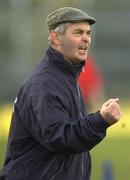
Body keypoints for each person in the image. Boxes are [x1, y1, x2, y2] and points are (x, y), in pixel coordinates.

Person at [0, 7, 121, 180]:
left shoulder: (66, 76)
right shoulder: (45, 83)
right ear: (56, 38)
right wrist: (101, 120)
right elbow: (60, 138)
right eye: (78, 33)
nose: (86, 38)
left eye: (88, 32)